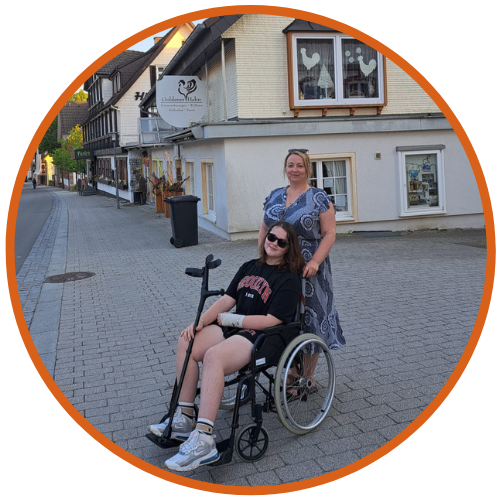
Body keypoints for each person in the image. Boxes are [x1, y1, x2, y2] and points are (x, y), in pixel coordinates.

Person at [148, 221, 304, 472]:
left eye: (281, 241)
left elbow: (272, 321)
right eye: (271, 237)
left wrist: (234, 319)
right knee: (186, 341)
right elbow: (227, 301)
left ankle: (204, 439)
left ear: (289, 247)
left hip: (262, 336)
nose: (273, 243)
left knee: (214, 357)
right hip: (234, 329)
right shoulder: (249, 267)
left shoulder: (289, 279)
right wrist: (198, 322)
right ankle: (184, 418)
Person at [259, 149, 345, 356]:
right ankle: (287, 367)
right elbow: (264, 229)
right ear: (285, 168)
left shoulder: (319, 198)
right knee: (280, 315)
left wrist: (315, 262)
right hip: (276, 267)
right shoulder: (274, 195)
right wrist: (261, 259)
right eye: (290, 165)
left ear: (308, 169)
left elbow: (329, 234)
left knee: (310, 317)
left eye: (300, 165)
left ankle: (307, 376)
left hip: (308, 269)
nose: (294, 170)